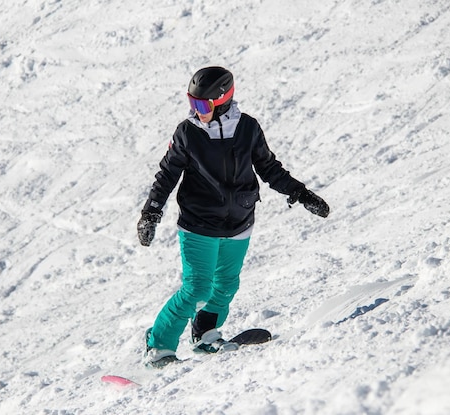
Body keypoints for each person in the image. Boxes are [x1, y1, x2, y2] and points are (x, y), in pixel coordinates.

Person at [137, 66, 329, 368]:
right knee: (197, 288)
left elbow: (269, 168)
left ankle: (205, 334)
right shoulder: (188, 133)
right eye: (192, 103)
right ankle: (158, 345)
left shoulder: (248, 128)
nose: (196, 111)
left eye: (202, 105)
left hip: (239, 222)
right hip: (198, 224)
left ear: (222, 101)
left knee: (226, 285)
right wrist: (151, 212)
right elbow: (167, 175)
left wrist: (301, 193)